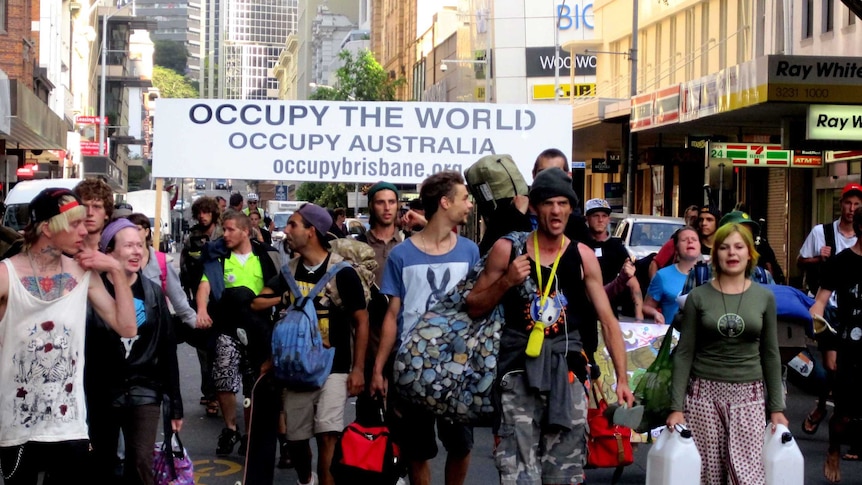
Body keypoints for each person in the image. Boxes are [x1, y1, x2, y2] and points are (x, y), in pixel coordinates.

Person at [465, 168, 635, 485]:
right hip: (517, 373)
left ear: (570, 209)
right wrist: (506, 282)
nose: (555, 211)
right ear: (534, 207)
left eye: (562, 203)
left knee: (565, 475)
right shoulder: (508, 249)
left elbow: (608, 321)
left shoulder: (582, 255)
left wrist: (622, 378)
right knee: (518, 475)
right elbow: (473, 305)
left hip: (567, 374)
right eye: (547, 203)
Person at [0, 188, 136, 484]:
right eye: (73, 223)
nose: (83, 229)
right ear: (48, 227)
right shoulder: (6, 275)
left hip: (70, 426)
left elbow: (127, 327)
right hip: (17, 426)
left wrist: (114, 269)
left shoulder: (83, 273)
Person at [371, 171, 480, 485]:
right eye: (464, 198)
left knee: (461, 445)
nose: (469, 204)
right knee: (418, 452)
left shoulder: (469, 252)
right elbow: (392, 315)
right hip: (413, 371)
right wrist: (379, 369)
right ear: (445, 203)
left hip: (457, 370)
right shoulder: (402, 255)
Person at [252, 203, 368, 485]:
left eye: (292, 225)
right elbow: (256, 302)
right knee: (297, 440)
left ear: (311, 232)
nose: (285, 231)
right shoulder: (289, 272)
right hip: (296, 370)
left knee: (328, 435)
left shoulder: (343, 273)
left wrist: (358, 369)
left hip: (334, 367)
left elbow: (362, 322)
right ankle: (307, 479)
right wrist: (284, 299)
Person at [667, 222, 788, 484]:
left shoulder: (765, 298)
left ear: (749, 254)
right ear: (715, 255)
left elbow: (770, 354)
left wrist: (776, 407)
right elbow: (685, 352)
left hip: (750, 398)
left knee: (747, 476)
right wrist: (676, 408)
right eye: (724, 247)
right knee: (708, 477)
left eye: (738, 247)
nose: (731, 253)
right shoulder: (698, 297)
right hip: (703, 397)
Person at [85, 218, 183, 485]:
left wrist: (175, 404)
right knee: (101, 462)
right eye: (128, 246)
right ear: (109, 251)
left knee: (141, 462)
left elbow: (167, 348)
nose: (137, 251)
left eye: (140, 245)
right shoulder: (91, 290)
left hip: (144, 390)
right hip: (102, 392)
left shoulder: (152, 292)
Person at [195, 209, 280, 456]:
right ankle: (230, 428)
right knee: (223, 375)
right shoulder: (219, 259)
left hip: (258, 329)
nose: (225, 234)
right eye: (224, 229)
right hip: (227, 326)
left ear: (246, 231)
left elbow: (277, 289)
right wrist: (202, 309)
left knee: (253, 384)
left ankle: (250, 433)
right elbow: (204, 286)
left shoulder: (265, 258)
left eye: (231, 229)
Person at [798, 183, 862, 441]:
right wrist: (818, 258)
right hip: (830, 308)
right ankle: (825, 406)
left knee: (849, 369)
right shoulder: (821, 232)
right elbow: (800, 261)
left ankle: (842, 417)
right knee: (832, 365)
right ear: (841, 204)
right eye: (848, 203)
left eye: (857, 204)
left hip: (855, 312)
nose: (852, 208)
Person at [810, 206, 862, 483]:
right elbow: (820, 302)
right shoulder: (841, 262)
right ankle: (833, 449)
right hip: (849, 344)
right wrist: (824, 335)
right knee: (843, 414)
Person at [477, 148, 587, 255]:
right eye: (542, 172)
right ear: (533, 175)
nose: (548, 178)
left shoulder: (573, 218)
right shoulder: (510, 208)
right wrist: (516, 215)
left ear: (568, 176)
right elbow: (486, 253)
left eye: (555, 172)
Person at [356, 182, 404, 382]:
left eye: (391, 202)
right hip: (368, 337)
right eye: (381, 202)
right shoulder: (357, 246)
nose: (387, 208)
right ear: (371, 206)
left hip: (402, 337)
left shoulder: (409, 243)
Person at [179, 196, 223, 417]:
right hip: (200, 300)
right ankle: (210, 394)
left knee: (222, 349)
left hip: (223, 299)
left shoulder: (225, 234)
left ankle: (224, 392)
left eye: (207, 212)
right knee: (204, 351)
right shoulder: (192, 238)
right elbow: (184, 267)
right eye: (200, 213)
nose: (203, 216)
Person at [126, 212, 197, 330]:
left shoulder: (162, 262)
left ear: (147, 231)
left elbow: (179, 302)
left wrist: (198, 326)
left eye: (137, 229)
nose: (133, 233)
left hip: (157, 332)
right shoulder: (120, 262)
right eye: (129, 229)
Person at [581, 198, 644, 321]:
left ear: (608, 219)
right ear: (587, 218)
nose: (600, 220)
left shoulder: (616, 247)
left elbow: (633, 282)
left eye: (604, 216)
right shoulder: (579, 244)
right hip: (583, 311)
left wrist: (639, 317)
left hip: (609, 312)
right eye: (596, 215)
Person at [643, 226, 700, 324]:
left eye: (694, 239)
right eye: (684, 240)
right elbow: (646, 306)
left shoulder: (710, 275)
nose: (690, 241)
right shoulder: (662, 276)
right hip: (674, 335)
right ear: (676, 249)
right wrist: (656, 313)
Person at [648, 204, 700, 279]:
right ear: (685, 219)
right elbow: (655, 264)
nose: (693, 221)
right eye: (690, 218)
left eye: (696, 218)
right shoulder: (676, 239)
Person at [74, 177, 115, 251]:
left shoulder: (115, 251)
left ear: (106, 213)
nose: (90, 213)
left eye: (96, 207)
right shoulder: (64, 251)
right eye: (85, 206)